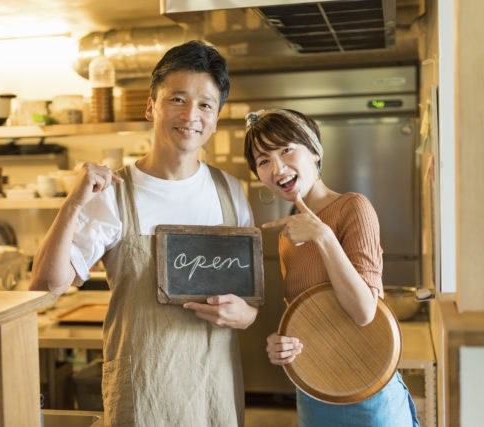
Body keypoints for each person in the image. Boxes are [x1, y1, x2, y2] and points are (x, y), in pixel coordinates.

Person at [30, 40, 258, 426]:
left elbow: (250, 304)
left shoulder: (232, 193)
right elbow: (46, 286)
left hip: (213, 395)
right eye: (177, 99)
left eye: (205, 104)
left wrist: (245, 316)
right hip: (142, 396)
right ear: (151, 106)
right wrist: (72, 205)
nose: (191, 115)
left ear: (216, 118)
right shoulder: (112, 193)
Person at [243, 108, 419, 426]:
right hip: (314, 391)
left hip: (368, 389)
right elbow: (310, 319)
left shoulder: (353, 207)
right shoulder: (288, 236)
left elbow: (366, 312)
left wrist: (323, 236)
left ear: (314, 152)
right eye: (264, 160)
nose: (277, 167)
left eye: (286, 149)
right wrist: (283, 343)